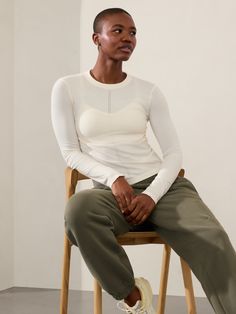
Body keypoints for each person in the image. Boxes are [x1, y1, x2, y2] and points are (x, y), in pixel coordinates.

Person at [51, 7, 236, 314]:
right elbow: (70, 152)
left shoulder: (148, 91)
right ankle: (133, 296)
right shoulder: (68, 87)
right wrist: (114, 178)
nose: (128, 38)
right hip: (111, 194)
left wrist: (151, 195)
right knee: (78, 211)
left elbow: (173, 153)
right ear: (96, 38)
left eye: (133, 32)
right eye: (118, 31)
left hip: (162, 189)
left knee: (213, 238)